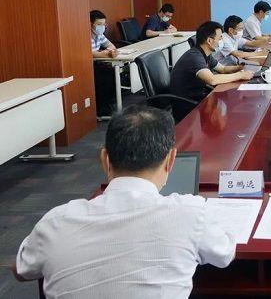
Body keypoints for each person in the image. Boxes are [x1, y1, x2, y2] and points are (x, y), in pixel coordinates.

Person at [14, 105, 237, 298]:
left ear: (105, 159)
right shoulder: (191, 215)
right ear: (171, 160)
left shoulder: (55, 222)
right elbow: (225, 254)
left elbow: (22, 269)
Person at [171, 21, 253, 120]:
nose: (221, 41)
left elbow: (223, 69)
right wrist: (240, 75)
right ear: (209, 41)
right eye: (220, 38)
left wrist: (239, 67)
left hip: (200, 96)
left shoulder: (205, 54)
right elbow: (212, 80)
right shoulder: (195, 57)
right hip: (187, 105)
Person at [90, 10, 118, 116]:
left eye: (103, 24)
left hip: (98, 62)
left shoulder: (99, 34)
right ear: (90, 24)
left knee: (111, 71)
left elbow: (111, 46)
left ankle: (109, 104)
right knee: (106, 74)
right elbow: (90, 53)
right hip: (89, 66)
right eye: (99, 24)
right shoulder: (85, 35)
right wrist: (104, 54)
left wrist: (109, 51)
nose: (102, 27)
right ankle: (102, 108)